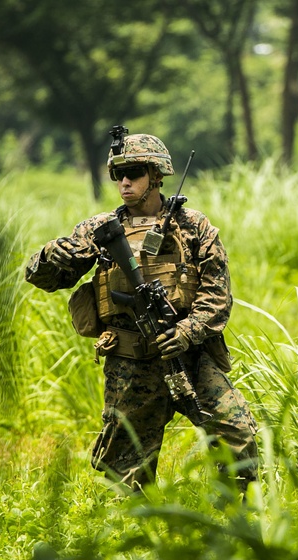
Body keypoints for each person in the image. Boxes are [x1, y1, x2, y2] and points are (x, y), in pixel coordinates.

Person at [25, 129, 258, 492]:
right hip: (130, 363)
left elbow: (217, 297)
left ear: (157, 175)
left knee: (237, 437)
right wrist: (50, 255)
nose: (125, 181)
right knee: (130, 468)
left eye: (133, 171)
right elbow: (45, 278)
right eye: (118, 173)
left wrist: (185, 333)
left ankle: (239, 527)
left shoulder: (192, 227)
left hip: (189, 356)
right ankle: (140, 536)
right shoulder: (99, 231)